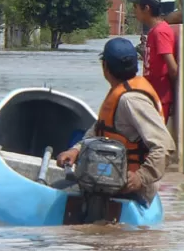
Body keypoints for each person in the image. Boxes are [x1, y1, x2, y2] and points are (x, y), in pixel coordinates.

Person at [56, 37, 175, 204]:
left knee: (59, 193)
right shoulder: (119, 93)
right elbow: (97, 132)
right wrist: (75, 151)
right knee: (62, 186)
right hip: (108, 179)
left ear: (105, 67)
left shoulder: (131, 100)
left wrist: (140, 177)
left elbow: (165, 146)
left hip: (130, 188)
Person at [132, 0, 178, 124]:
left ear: (146, 8)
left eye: (136, 7)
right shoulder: (154, 31)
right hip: (152, 95)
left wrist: (172, 97)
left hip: (160, 98)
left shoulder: (160, 32)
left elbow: (173, 69)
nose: (134, 11)